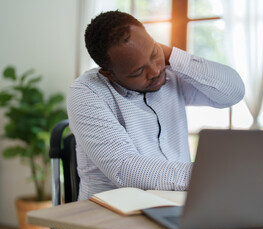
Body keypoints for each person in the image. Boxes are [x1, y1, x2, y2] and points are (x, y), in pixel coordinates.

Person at [67, 10, 245, 203]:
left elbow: (233, 92)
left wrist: (173, 56)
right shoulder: (86, 92)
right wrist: (208, 173)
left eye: (154, 53)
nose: (155, 71)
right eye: (138, 71)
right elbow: (125, 169)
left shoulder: (167, 71)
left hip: (177, 209)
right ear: (109, 75)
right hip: (110, 221)